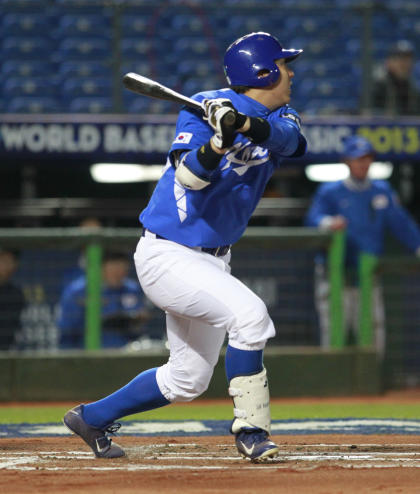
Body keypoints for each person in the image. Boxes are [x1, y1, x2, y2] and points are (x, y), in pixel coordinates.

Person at [63, 32, 306, 462]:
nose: (290, 73)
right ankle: (252, 431)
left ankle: (91, 417)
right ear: (264, 72)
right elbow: (190, 178)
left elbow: (292, 143)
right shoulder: (200, 107)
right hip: (168, 255)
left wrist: (241, 124)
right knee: (251, 317)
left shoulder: (284, 115)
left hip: (214, 261)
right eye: (284, 66)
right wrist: (218, 142)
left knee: (187, 380)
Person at [305, 135, 420, 356]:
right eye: (358, 159)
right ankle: (333, 384)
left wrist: (417, 245)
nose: (363, 163)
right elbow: (313, 218)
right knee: (334, 330)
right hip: (334, 274)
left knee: (373, 332)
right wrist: (328, 222)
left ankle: (371, 385)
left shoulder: (381, 190)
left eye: (367, 158)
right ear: (346, 161)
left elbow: (401, 223)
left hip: (367, 275)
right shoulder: (330, 191)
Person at [58, 250, 150, 349]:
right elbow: (66, 330)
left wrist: (136, 321)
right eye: (114, 270)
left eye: (122, 270)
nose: (118, 274)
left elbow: (139, 331)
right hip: (86, 352)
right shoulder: (78, 290)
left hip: (125, 352)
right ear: (101, 268)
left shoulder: (132, 289)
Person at [370, 40, 420, 116]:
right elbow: (367, 114)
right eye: (399, 59)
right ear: (388, 62)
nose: (404, 63)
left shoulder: (413, 88)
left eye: (407, 59)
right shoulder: (378, 85)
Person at [0, 248, 25, 350]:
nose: (7, 266)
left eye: (11, 261)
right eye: (3, 260)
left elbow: (10, 331)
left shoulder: (15, 294)